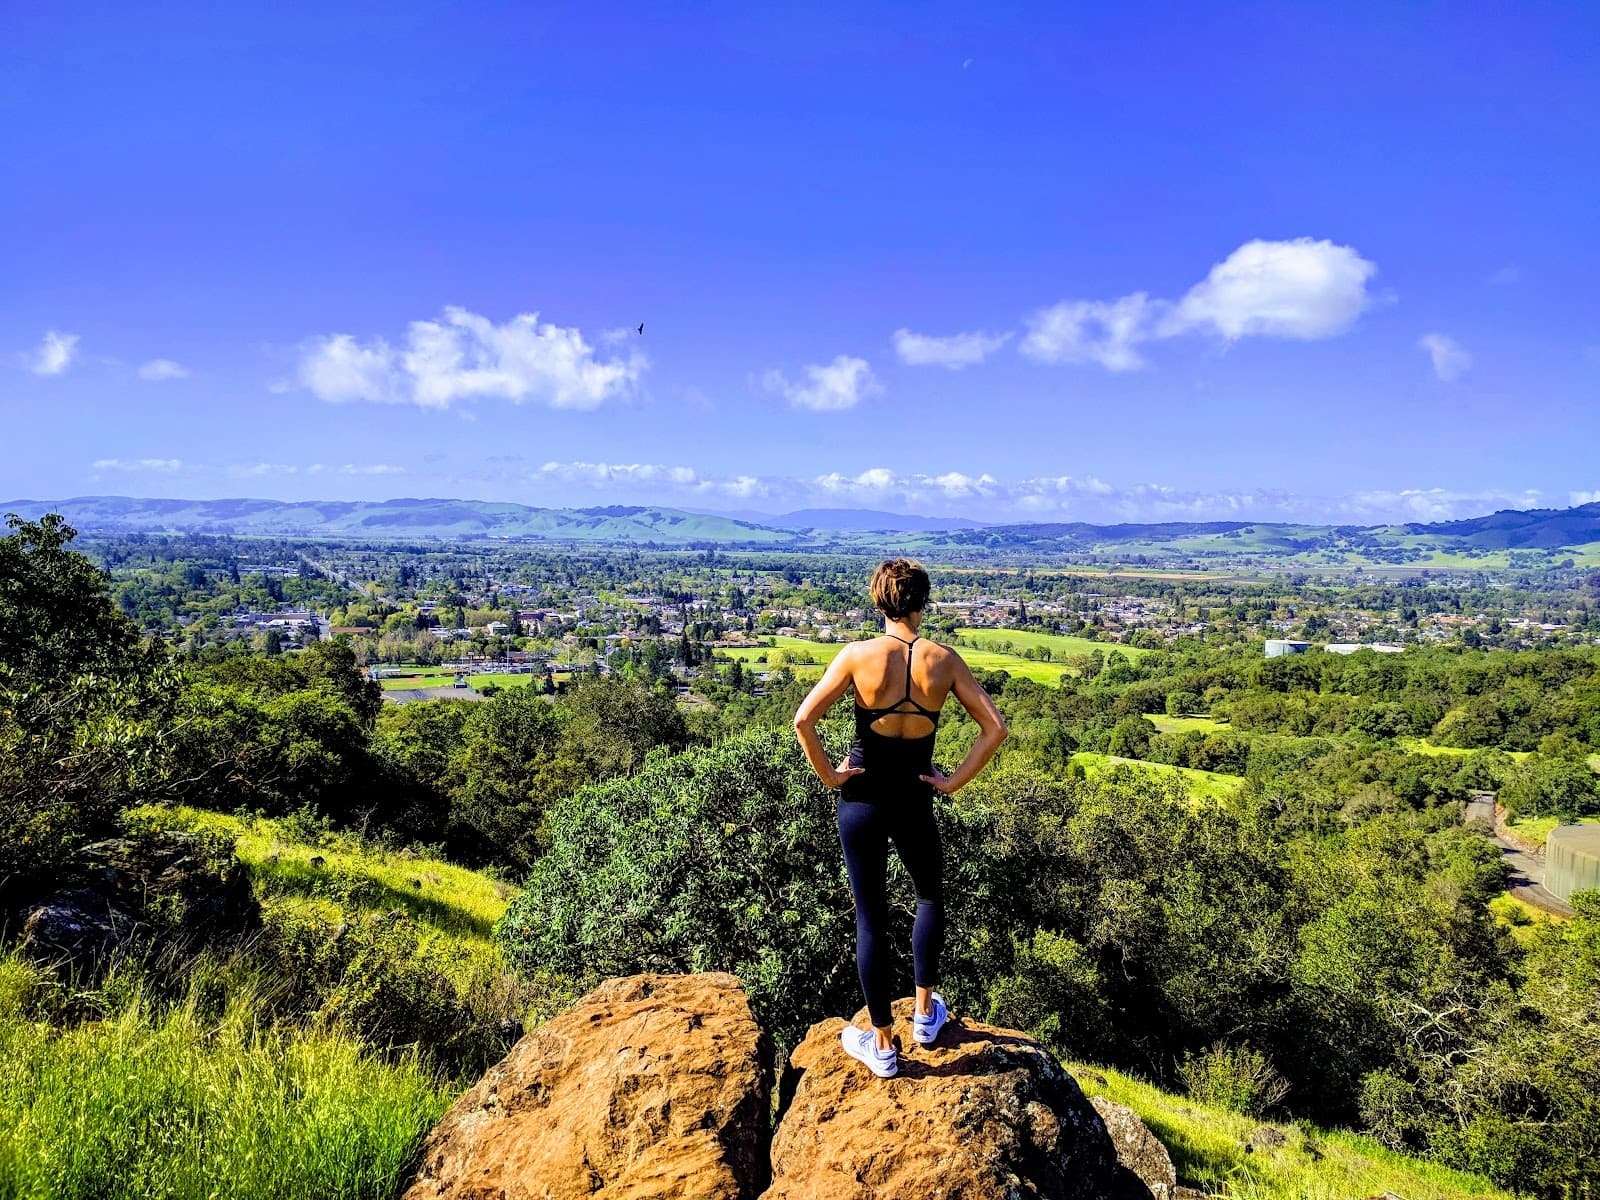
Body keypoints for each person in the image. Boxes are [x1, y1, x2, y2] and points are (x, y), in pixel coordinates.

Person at [792, 558, 1008, 1078]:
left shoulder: (857, 656)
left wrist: (829, 775)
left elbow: (804, 719)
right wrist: (953, 781)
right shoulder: (945, 661)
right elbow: (994, 728)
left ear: (878, 600)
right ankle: (925, 1015)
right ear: (923, 601)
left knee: (871, 915)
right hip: (915, 796)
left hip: (863, 799)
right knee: (929, 895)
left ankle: (883, 1046)